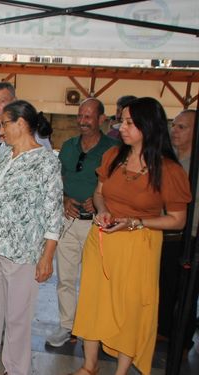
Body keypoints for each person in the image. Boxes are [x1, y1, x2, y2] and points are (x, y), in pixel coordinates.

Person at [71, 97, 191, 375]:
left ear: (148, 127)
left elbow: (178, 219)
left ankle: (121, 370)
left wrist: (136, 222)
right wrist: (102, 211)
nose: (121, 127)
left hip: (140, 244)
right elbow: (99, 193)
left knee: (131, 308)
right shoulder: (113, 156)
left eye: (128, 122)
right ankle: (89, 365)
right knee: (93, 301)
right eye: (120, 121)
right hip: (102, 239)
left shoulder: (169, 170)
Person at [0, 100, 63, 374]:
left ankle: (16, 367)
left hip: (23, 249)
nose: (0, 131)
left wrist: (47, 256)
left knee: (18, 314)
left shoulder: (46, 161)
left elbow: (54, 211)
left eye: (4, 124)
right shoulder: (7, 154)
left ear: (21, 123)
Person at [46, 98, 119, 347]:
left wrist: (101, 200)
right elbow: (57, 178)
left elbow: (119, 185)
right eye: (80, 116)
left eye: (88, 117)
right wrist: (64, 198)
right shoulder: (68, 145)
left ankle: (91, 328)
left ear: (101, 119)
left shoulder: (114, 149)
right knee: (65, 278)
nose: (83, 121)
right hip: (69, 220)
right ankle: (67, 326)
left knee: (93, 280)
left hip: (96, 224)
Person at [158, 109, 197, 350]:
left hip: (190, 237)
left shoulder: (194, 164)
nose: (175, 131)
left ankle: (182, 342)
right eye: (174, 125)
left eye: (182, 127)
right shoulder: (166, 159)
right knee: (163, 286)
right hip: (163, 233)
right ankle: (162, 330)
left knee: (186, 292)